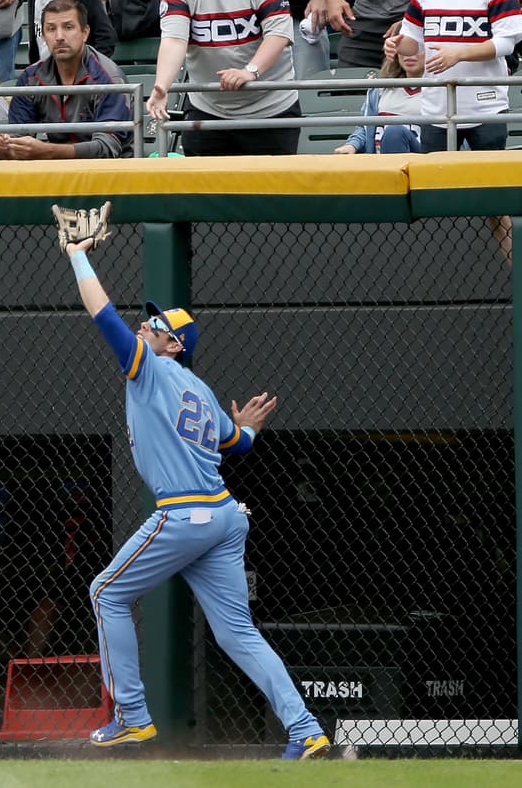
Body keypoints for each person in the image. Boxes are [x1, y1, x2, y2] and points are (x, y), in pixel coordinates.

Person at [60, 219, 331, 760]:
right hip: (224, 519)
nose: (145, 324)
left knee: (105, 592)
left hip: (186, 514)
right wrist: (251, 427)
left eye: (155, 324)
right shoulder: (200, 389)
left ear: (173, 343)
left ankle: (132, 717)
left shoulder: (154, 371)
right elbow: (236, 445)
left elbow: (103, 316)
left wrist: (77, 255)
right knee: (238, 635)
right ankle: (305, 729)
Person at [146, 0, 300, 157]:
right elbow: (173, 40)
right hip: (208, 111)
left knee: (270, 192)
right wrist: (162, 86)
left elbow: (278, 35)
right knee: (205, 191)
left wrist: (250, 71)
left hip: (271, 110)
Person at [386, 0, 522, 152]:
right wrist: (396, 45)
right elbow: (413, 43)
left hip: (485, 105)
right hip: (436, 107)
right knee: (434, 182)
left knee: (485, 182)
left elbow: (506, 43)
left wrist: (458, 54)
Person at [0, 0, 132, 160]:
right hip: (54, 172)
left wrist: (47, 151)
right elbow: (18, 140)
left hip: (111, 173)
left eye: (68, 27)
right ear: (43, 35)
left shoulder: (108, 78)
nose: (59, 36)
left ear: (85, 33)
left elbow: (107, 149)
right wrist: (6, 146)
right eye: (51, 29)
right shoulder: (30, 78)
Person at [334, 45, 424, 154]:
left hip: (421, 162)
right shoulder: (380, 88)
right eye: (404, 49)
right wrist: (352, 145)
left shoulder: (442, 91)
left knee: (395, 132)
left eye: (418, 48)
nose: (409, 54)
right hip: (378, 160)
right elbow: (365, 128)